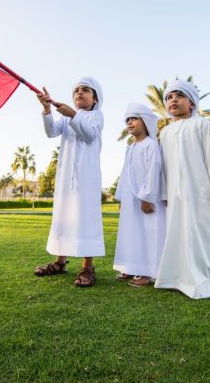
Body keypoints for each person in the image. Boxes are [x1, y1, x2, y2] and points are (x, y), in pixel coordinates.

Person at [154, 80, 210, 299]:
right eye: (169, 97)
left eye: (179, 96)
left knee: (203, 235)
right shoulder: (165, 132)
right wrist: (164, 193)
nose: (173, 100)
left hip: (201, 190)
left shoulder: (201, 124)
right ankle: (178, 279)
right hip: (175, 193)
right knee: (178, 235)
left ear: (191, 103)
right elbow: (163, 166)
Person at [33, 78, 104, 287]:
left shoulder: (96, 116)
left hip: (87, 178)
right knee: (63, 216)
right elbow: (51, 132)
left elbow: (90, 135)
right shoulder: (65, 119)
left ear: (95, 98)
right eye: (76, 91)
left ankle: (87, 267)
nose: (79, 93)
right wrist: (47, 109)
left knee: (86, 218)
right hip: (65, 178)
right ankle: (60, 262)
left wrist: (72, 114)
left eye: (85, 90)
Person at [113, 103, 167, 287]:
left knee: (149, 234)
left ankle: (149, 272)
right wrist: (121, 196)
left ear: (146, 121)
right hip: (130, 200)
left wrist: (147, 198)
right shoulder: (130, 147)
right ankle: (131, 265)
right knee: (131, 233)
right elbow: (125, 172)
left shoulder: (151, 145)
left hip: (146, 200)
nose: (129, 122)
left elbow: (154, 171)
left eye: (134, 118)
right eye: (127, 119)